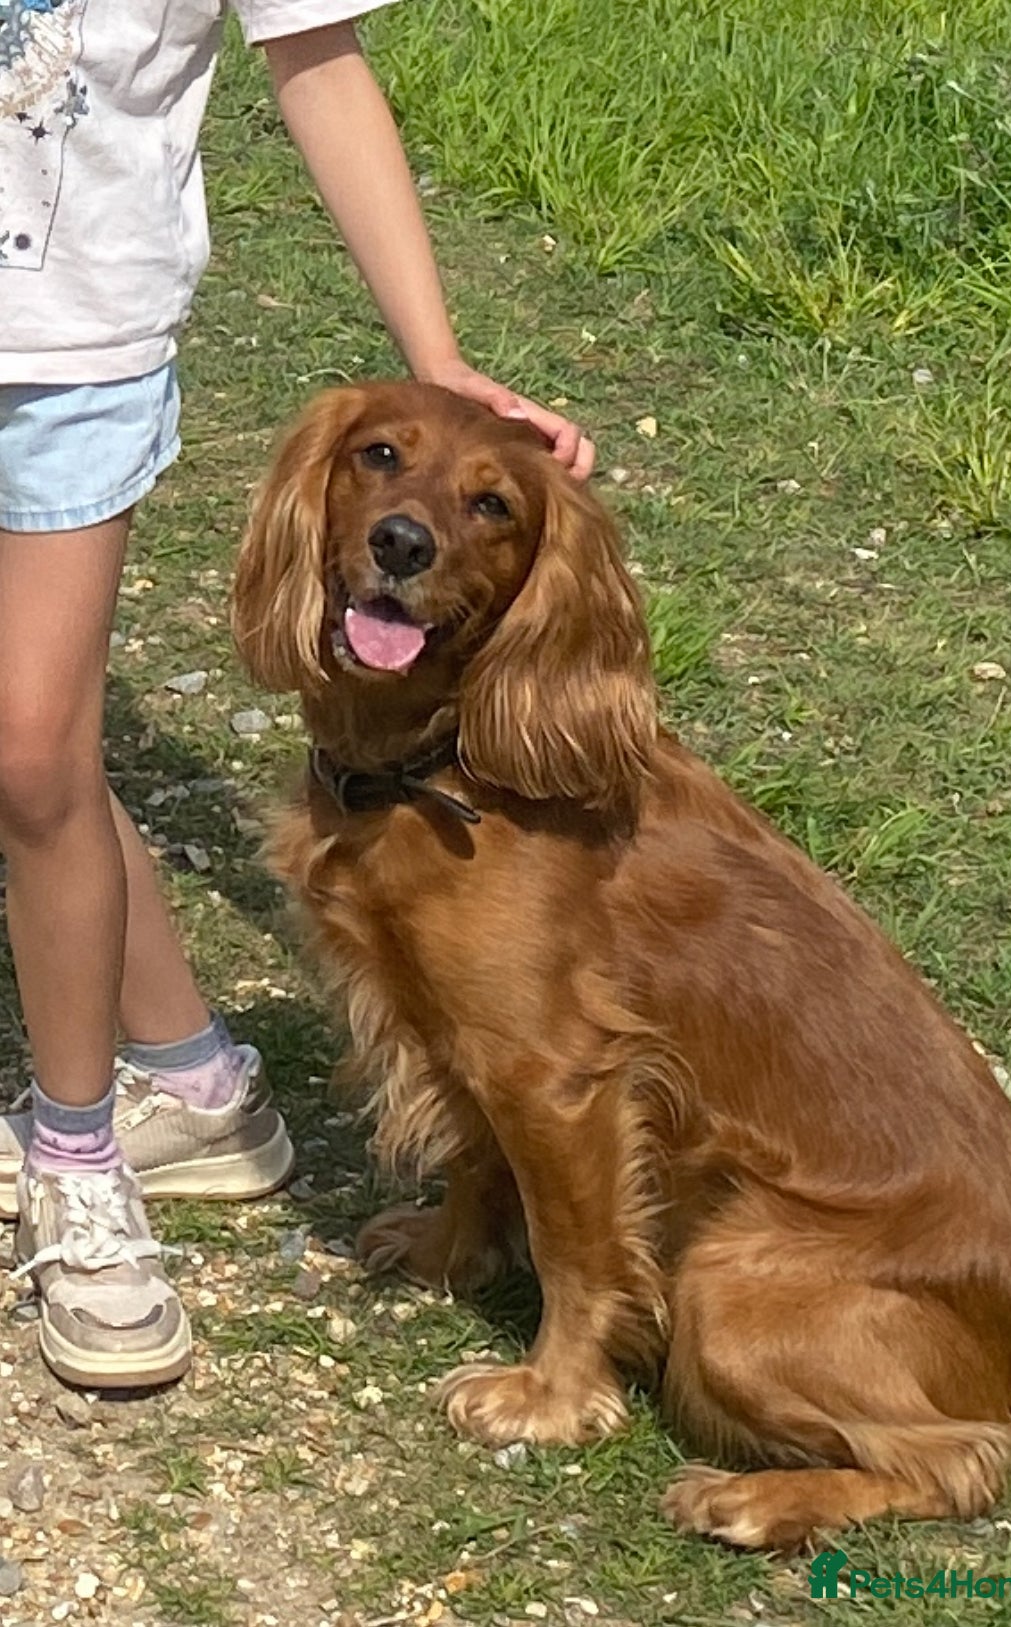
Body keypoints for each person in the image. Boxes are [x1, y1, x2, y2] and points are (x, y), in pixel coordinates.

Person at [0, 0, 594, 1391]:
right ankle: (197, 1087)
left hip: (71, 359)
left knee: (32, 757)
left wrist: (434, 354)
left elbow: (318, 64)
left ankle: (77, 1155)